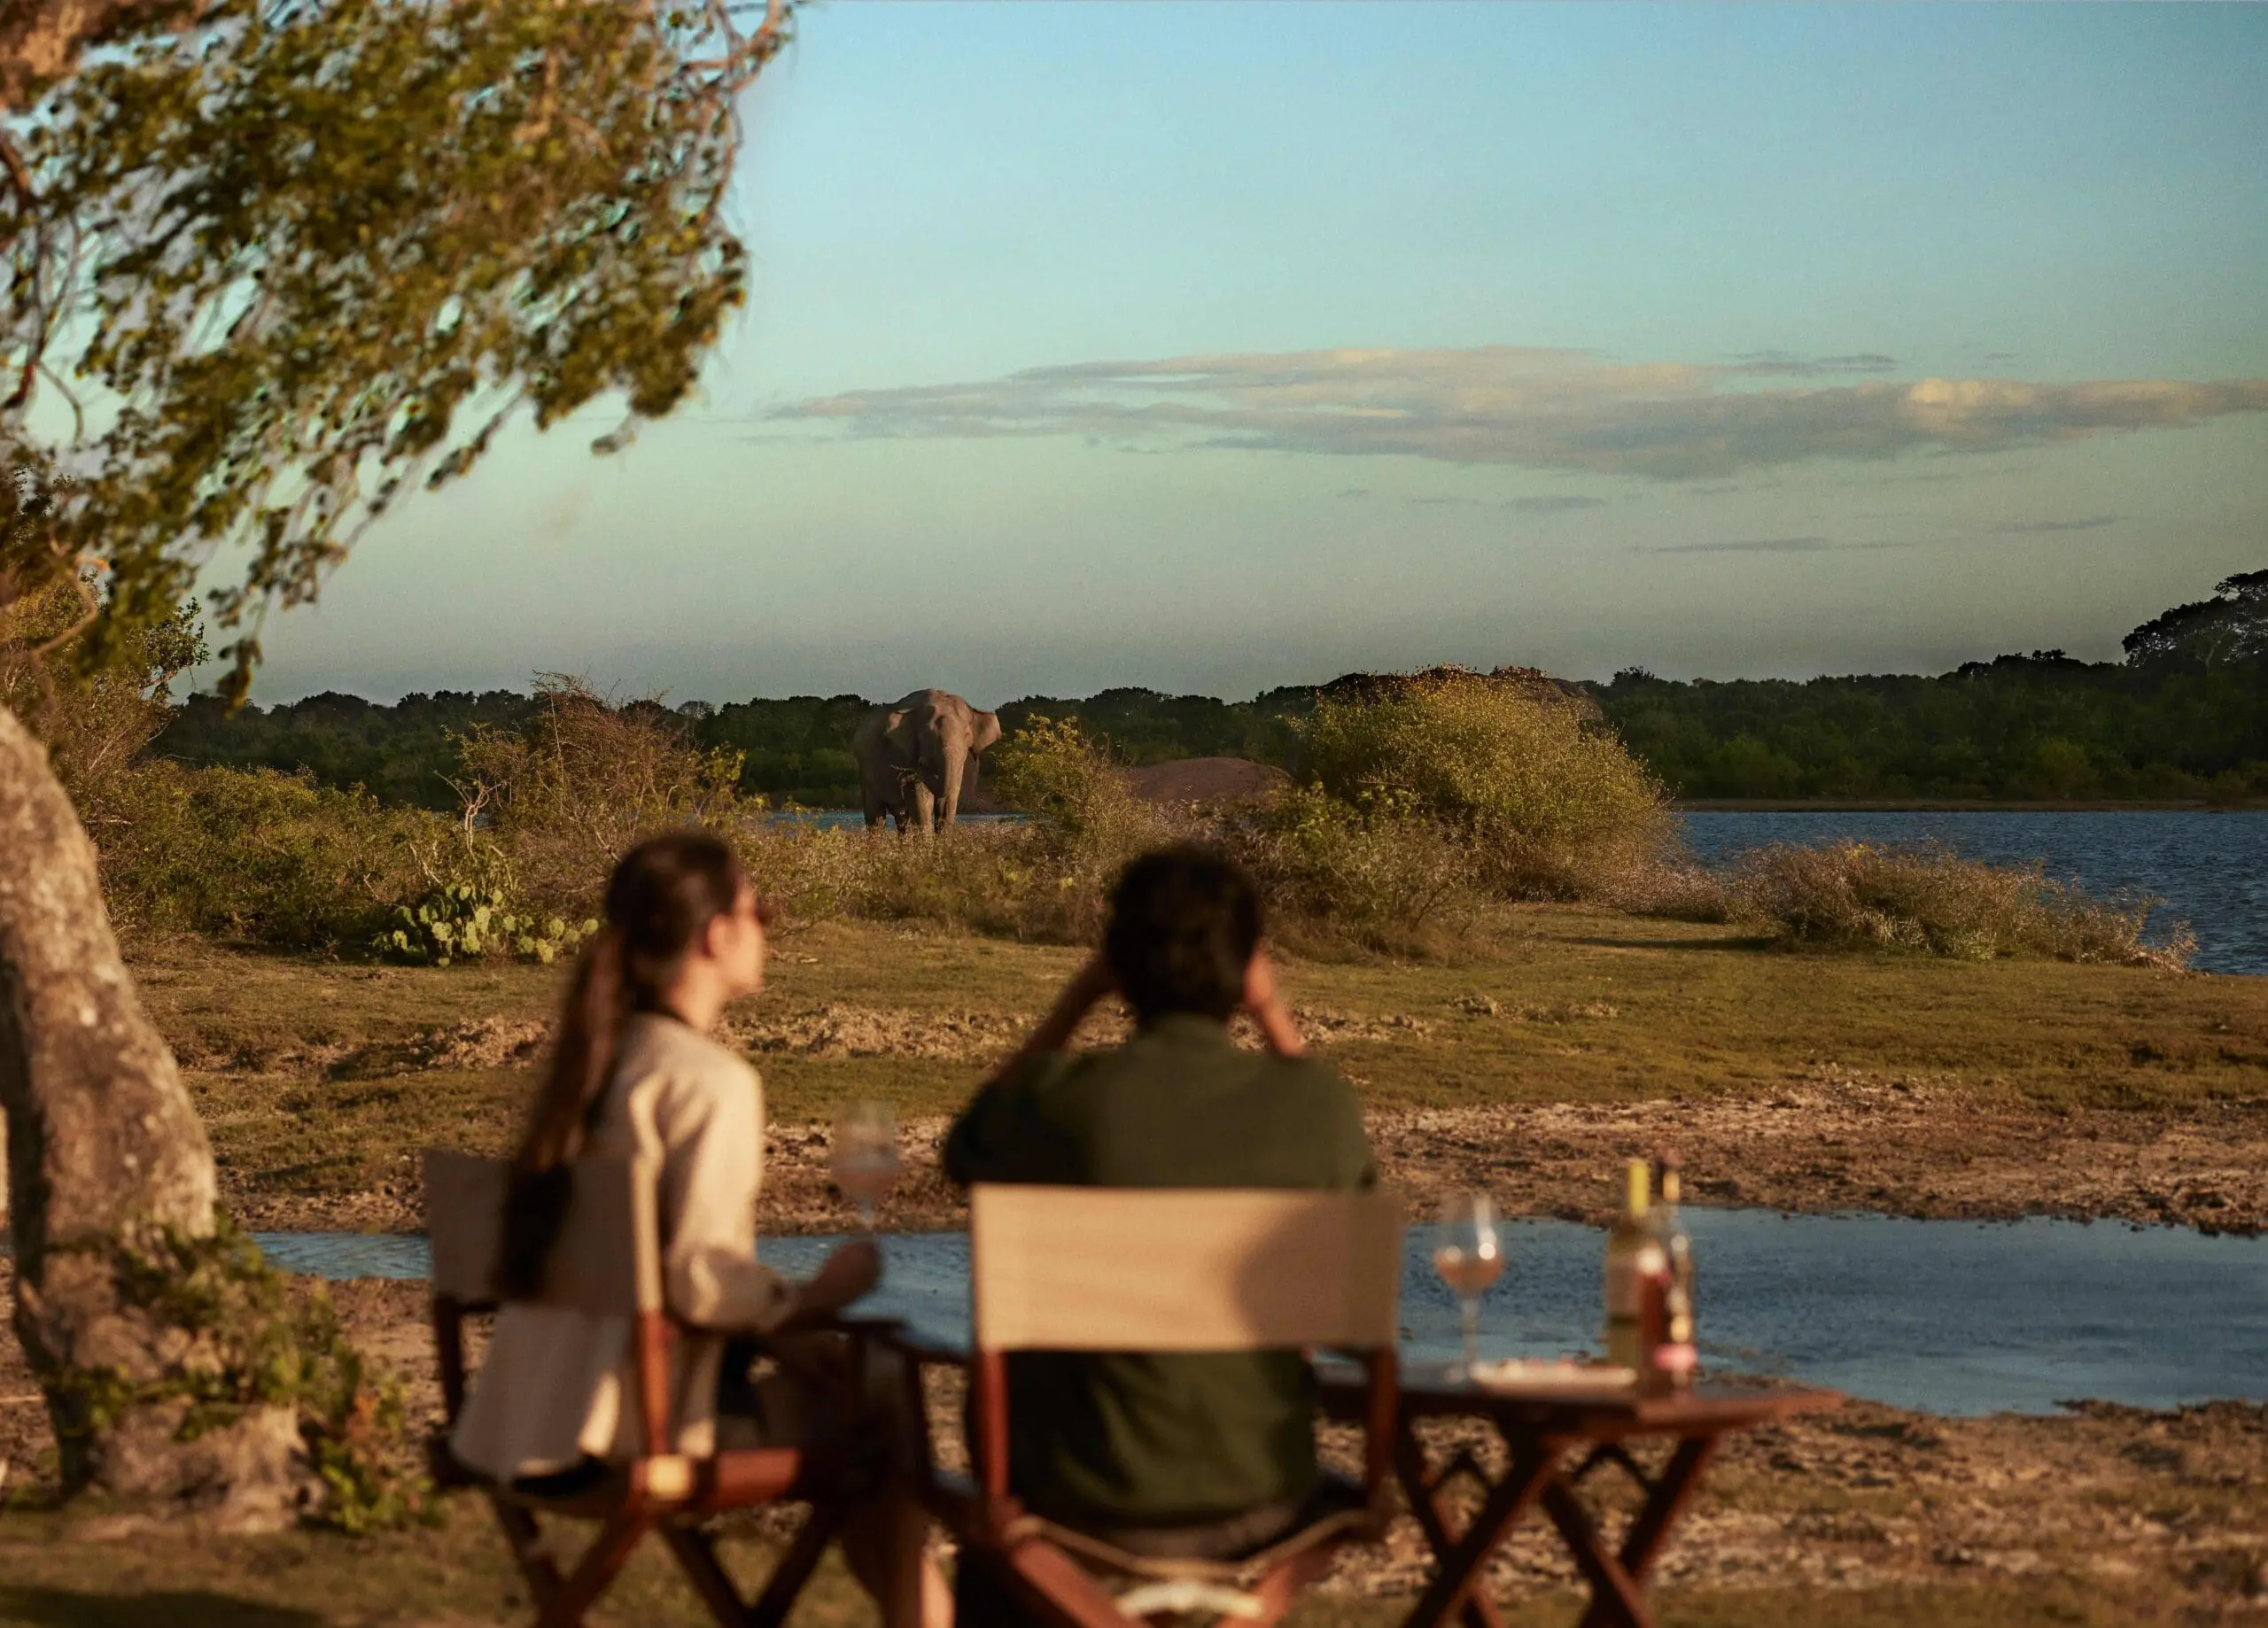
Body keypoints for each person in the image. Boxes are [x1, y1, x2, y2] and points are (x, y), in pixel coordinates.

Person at [449, 831, 949, 1628]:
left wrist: (790, 1322)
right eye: (763, 912)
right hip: (624, 1439)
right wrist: (823, 1294)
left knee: (846, 1389)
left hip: (514, 1427)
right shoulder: (708, 1083)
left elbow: (670, 1282)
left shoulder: (592, 1070)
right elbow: (701, 1282)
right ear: (717, 932)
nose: (768, 930)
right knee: (883, 1404)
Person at [943, 845, 1377, 1618]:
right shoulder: (1317, 1110)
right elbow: (1358, 1215)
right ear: (1249, 968)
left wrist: (1075, 1002)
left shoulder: (1054, 1102)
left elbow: (965, 1148)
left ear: (1118, 964)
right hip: (1261, 1502)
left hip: (1074, 1502)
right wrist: (1274, 1016)